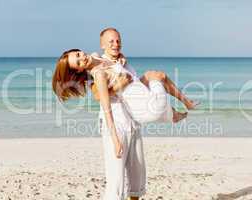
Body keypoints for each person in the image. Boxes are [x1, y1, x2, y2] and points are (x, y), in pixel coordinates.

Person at [52, 28, 198, 200]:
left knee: (137, 176)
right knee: (116, 181)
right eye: (78, 61)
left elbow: (131, 82)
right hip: (117, 126)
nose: (82, 56)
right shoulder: (96, 74)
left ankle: (173, 113)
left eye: (78, 53)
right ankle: (172, 114)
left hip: (132, 120)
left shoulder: (104, 57)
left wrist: (119, 66)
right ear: (78, 70)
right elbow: (102, 100)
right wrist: (114, 138)